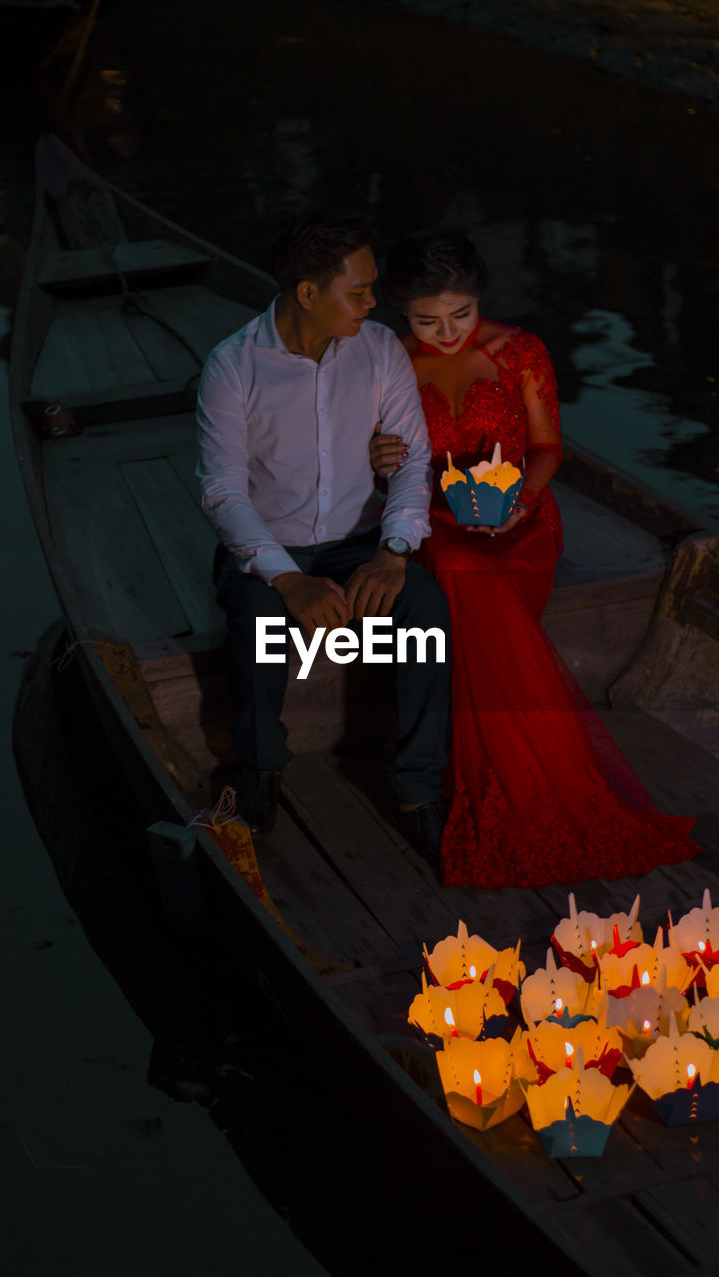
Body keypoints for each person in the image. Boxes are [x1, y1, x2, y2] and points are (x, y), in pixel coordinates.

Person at [372, 227, 699, 888]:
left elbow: (548, 447)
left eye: (460, 315)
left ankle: (514, 776)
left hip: (520, 518)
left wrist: (521, 500)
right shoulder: (386, 363)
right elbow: (383, 467)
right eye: (426, 320)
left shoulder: (518, 351)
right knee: (460, 574)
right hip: (435, 514)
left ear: (478, 300)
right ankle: (514, 778)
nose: (445, 332)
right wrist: (381, 464)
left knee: (477, 585)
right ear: (400, 311)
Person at [196, 212, 450, 855]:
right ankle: (261, 769)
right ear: (307, 293)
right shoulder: (233, 366)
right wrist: (286, 577)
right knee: (257, 618)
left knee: (422, 606)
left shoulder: (379, 350)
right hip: (271, 549)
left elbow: (414, 459)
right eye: (357, 290)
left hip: (361, 542)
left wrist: (393, 554)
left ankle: (419, 785)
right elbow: (222, 491)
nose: (373, 301)